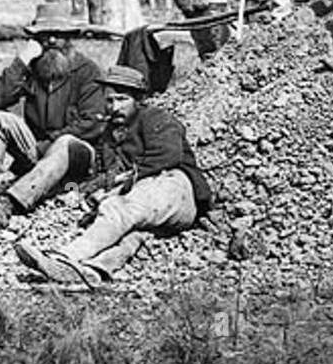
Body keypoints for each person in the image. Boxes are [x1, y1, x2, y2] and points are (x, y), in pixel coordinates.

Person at [13, 66, 212, 286]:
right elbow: (106, 174)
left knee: (120, 207)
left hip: (176, 188)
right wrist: (86, 191)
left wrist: (121, 184)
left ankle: (65, 257)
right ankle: (93, 270)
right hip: (152, 205)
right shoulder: (110, 133)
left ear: (138, 99)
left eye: (122, 99)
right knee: (133, 235)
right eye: (110, 100)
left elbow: (167, 157)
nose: (114, 107)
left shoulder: (155, 117)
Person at [0, 2, 106, 232]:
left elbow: (92, 123)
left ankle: (10, 202)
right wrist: (22, 61)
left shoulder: (87, 71)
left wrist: (50, 143)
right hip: (38, 151)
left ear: (70, 37)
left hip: (76, 157)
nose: (52, 41)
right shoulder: (34, 68)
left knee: (65, 142)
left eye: (59, 35)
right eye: (45, 35)